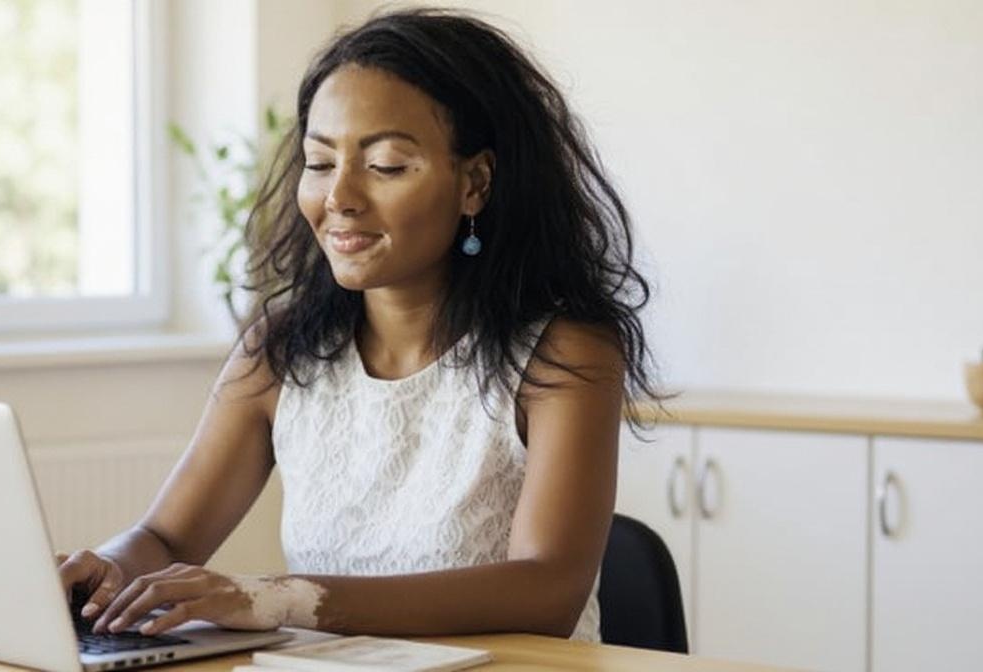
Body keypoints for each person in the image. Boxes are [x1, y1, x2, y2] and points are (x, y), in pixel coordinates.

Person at [57, 7, 660, 642]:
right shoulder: (279, 350)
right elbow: (166, 536)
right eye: (320, 163)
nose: (339, 197)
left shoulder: (565, 354)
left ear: (475, 182)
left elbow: (547, 592)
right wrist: (105, 571)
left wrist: (284, 599)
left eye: (387, 166)